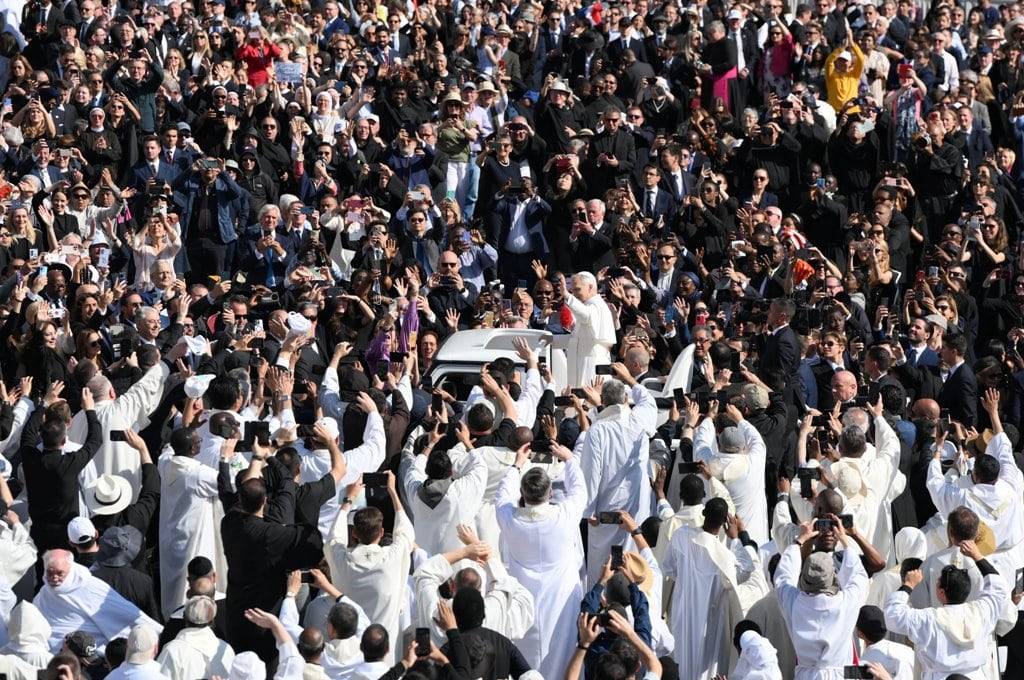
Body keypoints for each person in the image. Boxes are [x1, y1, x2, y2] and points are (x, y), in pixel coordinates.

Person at [495, 437, 583, 679]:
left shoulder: (509, 518)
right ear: (551, 492)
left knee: (528, 656)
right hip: (560, 596)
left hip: (526, 596)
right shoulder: (564, 515)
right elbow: (579, 491)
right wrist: (570, 459)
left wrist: (517, 465)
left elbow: (502, 495)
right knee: (561, 653)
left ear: (522, 494)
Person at [885, 539, 1008, 679]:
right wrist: (977, 556)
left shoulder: (929, 619)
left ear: (941, 593)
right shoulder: (981, 611)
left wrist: (908, 585)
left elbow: (893, 616)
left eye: (937, 583)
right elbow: (998, 587)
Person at [774, 517, 869, 679]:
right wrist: (845, 541)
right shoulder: (846, 602)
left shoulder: (793, 603)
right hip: (841, 675)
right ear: (833, 577)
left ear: (803, 578)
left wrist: (800, 540)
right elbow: (858, 575)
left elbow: (783, 576)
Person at [33, 549, 162, 654]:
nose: (54, 578)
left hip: (89, 659)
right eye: (50, 573)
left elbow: (127, 617)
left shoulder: (91, 588)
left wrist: (155, 635)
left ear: (71, 569)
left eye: (60, 573)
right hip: (50, 659)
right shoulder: (44, 593)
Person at [558, 272, 616, 387]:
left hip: (592, 362)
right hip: (585, 360)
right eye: (572, 291)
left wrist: (567, 295)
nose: (574, 294)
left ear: (590, 287)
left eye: (577, 289)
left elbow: (586, 316)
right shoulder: (589, 305)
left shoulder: (596, 305)